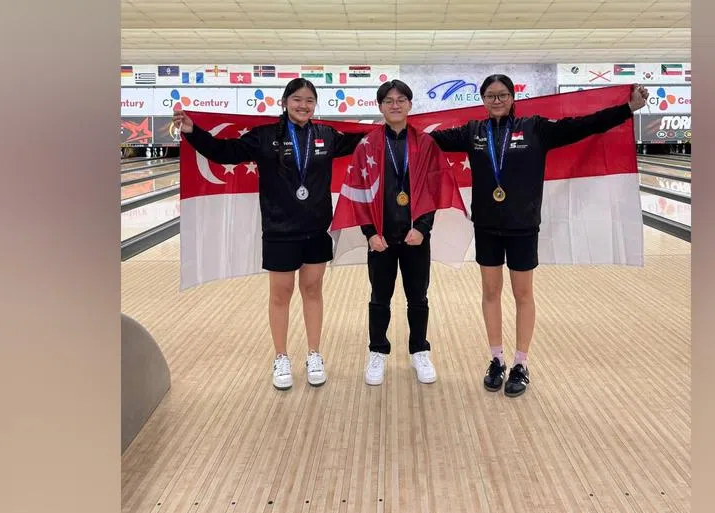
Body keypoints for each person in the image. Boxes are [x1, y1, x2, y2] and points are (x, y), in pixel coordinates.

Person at [429, 75, 648, 397]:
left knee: (522, 294)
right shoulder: (473, 132)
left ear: (512, 97)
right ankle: (496, 359)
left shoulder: (535, 128)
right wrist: (391, 127)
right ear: (483, 99)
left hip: (522, 226)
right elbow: (426, 140)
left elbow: (583, 126)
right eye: (490, 96)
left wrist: (627, 109)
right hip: (487, 225)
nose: (496, 101)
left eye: (502, 95)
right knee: (490, 292)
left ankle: (521, 363)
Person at [173, 78, 368, 391]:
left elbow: (366, 140)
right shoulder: (265, 137)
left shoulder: (327, 136)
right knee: (281, 294)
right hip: (279, 231)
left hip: (317, 229)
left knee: (313, 290)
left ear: (315, 105)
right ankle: (281, 357)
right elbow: (225, 152)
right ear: (285, 102)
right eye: (297, 99)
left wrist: (396, 125)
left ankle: (314, 354)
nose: (303, 105)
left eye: (309, 100)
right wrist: (192, 132)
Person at [358, 80, 438, 387]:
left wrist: (423, 228)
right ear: (380, 106)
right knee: (379, 299)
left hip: (415, 236)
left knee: (418, 298)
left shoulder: (424, 143)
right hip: (380, 238)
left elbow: (433, 188)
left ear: (410, 104)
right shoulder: (367, 145)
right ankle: (377, 351)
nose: (395, 105)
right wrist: (369, 233)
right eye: (389, 100)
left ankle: (419, 350)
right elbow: (360, 191)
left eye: (401, 99)